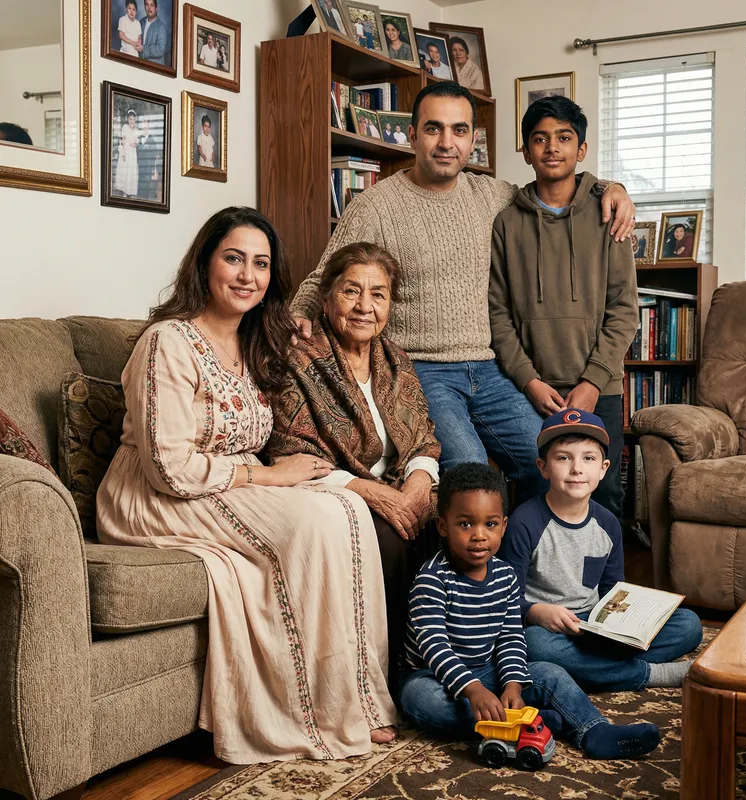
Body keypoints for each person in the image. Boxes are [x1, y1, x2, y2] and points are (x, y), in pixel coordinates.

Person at [96, 207, 397, 764]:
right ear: (205, 262)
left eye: (260, 264)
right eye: (233, 258)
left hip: (225, 484)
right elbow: (169, 468)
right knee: (318, 520)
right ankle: (314, 712)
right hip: (156, 496)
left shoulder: (257, 341)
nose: (246, 276)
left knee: (348, 509)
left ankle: (357, 699)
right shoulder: (169, 342)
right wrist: (267, 476)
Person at [292, 81, 636, 491]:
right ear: (413, 134)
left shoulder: (491, 195)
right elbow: (326, 275)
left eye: (458, 130)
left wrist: (612, 189)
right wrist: (298, 315)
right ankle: (470, 557)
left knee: (550, 462)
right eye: (434, 128)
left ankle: (520, 554)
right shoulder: (376, 206)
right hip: (421, 369)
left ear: (473, 139)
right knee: (470, 469)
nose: (446, 142)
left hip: (491, 370)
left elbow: (558, 187)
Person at [400, 463, 661, 759]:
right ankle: (526, 725)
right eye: (465, 524)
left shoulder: (505, 576)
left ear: (504, 525)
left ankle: (593, 729)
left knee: (550, 673)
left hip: (487, 671)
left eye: (490, 524)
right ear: (442, 526)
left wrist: (512, 683)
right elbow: (434, 647)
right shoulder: (432, 580)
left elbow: (510, 636)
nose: (479, 536)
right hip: (433, 677)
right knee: (421, 700)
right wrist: (473, 690)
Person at [269, 241, 440, 682]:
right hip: (332, 493)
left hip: (400, 488)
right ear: (325, 298)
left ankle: (468, 659)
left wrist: (419, 485)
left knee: (468, 516)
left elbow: (422, 434)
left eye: (378, 294)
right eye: (351, 292)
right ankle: (391, 675)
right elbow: (292, 449)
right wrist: (375, 493)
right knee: (391, 538)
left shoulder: (395, 359)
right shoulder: (298, 357)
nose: (365, 306)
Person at [488, 96, 638, 520]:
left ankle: (607, 587)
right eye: (540, 139)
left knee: (602, 493)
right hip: (532, 390)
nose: (552, 147)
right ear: (525, 150)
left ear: (582, 150)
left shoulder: (609, 213)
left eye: (564, 138)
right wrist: (528, 380)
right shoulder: (507, 222)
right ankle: (541, 587)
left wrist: (593, 381)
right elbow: (497, 313)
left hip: (600, 387)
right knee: (539, 494)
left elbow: (624, 309)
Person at [498, 410, 703, 691]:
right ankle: (644, 674)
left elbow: (612, 592)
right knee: (536, 647)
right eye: (563, 458)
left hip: (595, 626)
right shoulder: (525, 522)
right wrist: (535, 612)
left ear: (604, 468)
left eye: (588, 458)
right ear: (543, 467)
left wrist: (632, 620)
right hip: (549, 629)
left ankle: (590, 669)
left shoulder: (607, 523)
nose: (576, 468)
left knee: (688, 625)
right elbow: (505, 601)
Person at [114, 110, 139, 198]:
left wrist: (135, 143)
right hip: (127, 151)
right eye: (130, 119)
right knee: (125, 171)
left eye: (133, 119)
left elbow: (137, 140)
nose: (132, 121)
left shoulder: (136, 130)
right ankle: (124, 192)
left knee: (131, 171)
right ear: (128, 120)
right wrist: (124, 152)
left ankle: (130, 191)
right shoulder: (125, 128)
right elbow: (123, 141)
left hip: (133, 154)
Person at [137, 118, 160, 201]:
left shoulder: (152, 141)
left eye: (145, 128)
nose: (144, 130)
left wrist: (153, 170)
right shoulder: (138, 139)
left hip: (147, 170)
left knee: (145, 194)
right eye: (143, 128)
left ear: (148, 128)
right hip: (139, 170)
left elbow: (153, 158)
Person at [139, 0, 169, 64]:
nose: (149, 8)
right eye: (147, 4)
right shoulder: (141, 22)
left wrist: (143, 49)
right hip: (140, 64)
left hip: (155, 68)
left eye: (152, 5)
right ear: (144, 6)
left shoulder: (161, 27)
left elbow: (160, 50)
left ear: (156, 8)